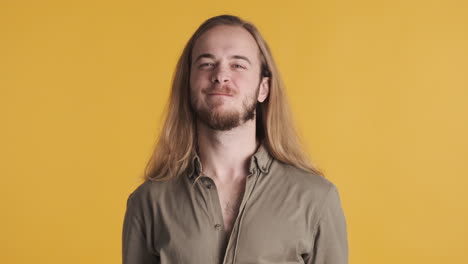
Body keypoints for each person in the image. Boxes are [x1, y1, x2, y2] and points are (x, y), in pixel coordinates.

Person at [122, 14, 348, 264]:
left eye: (238, 65)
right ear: (188, 83)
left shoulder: (316, 199)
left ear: (264, 88)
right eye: (206, 64)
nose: (220, 75)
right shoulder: (148, 202)